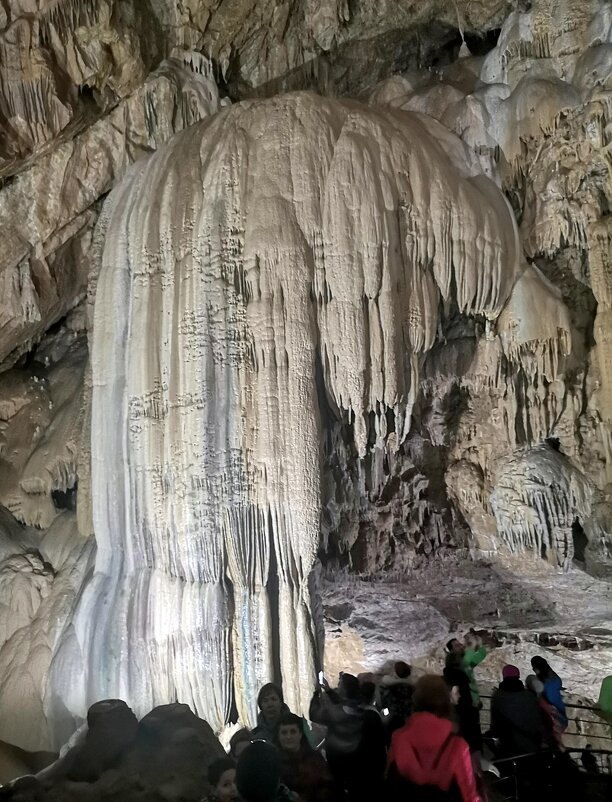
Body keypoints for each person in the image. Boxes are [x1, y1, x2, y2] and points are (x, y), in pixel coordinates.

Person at [386, 675, 482, 802]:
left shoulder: (399, 738)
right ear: (444, 701)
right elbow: (469, 795)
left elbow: (390, 779)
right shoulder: (457, 745)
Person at [310, 672, 386, 802]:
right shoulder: (364, 710)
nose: (337, 687)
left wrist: (316, 694)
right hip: (362, 771)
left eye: (340, 684)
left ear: (344, 690)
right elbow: (345, 703)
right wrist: (328, 691)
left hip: (340, 767)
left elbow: (314, 714)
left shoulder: (336, 713)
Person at [489, 665, 550, 757]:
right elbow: (538, 720)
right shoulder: (529, 696)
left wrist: (495, 736)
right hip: (529, 743)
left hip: (507, 742)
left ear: (504, 677)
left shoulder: (497, 696)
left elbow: (495, 721)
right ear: (518, 677)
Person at [276, 712, 337, 802]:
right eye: (284, 733)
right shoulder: (274, 762)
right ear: (278, 736)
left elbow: (328, 788)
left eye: (293, 732)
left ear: (300, 734)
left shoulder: (315, 758)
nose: (288, 737)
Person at [530, 656, 568, 744]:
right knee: (556, 740)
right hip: (559, 711)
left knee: (550, 739)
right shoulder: (553, 676)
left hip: (550, 713)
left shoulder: (543, 681)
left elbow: (546, 696)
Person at [446, 633, 487, 708]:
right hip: (464, 703)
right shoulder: (454, 664)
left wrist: (479, 645)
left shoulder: (467, 663)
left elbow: (481, 655)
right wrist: (471, 646)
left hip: (473, 701)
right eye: (457, 646)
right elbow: (464, 662)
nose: (461, 646)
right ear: (452, 651)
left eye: (460, 644)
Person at [380, 661, 414, 736]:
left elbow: (384, 703)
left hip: (394, 718)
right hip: (409, 718)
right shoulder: (413, 687)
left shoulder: (390, 686)